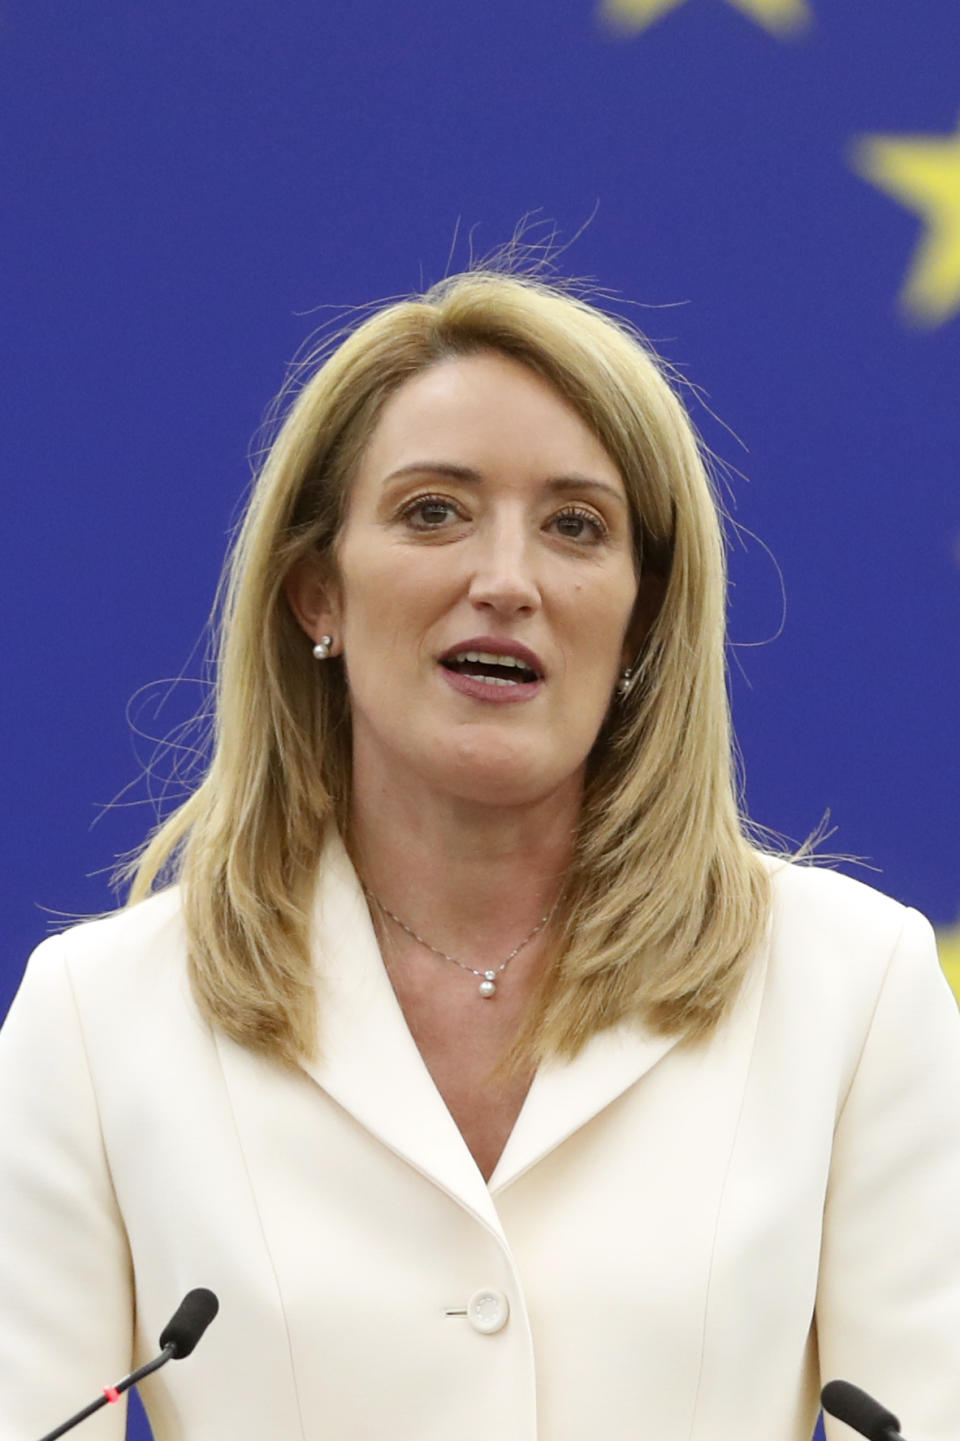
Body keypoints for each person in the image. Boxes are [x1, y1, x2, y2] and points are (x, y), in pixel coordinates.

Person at [1, 263, 959, 1441]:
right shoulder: (97, 1021)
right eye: (433, 512)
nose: (505, 582)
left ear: (643, 618)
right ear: (317, 596)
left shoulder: (852, 987)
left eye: (575, 526)